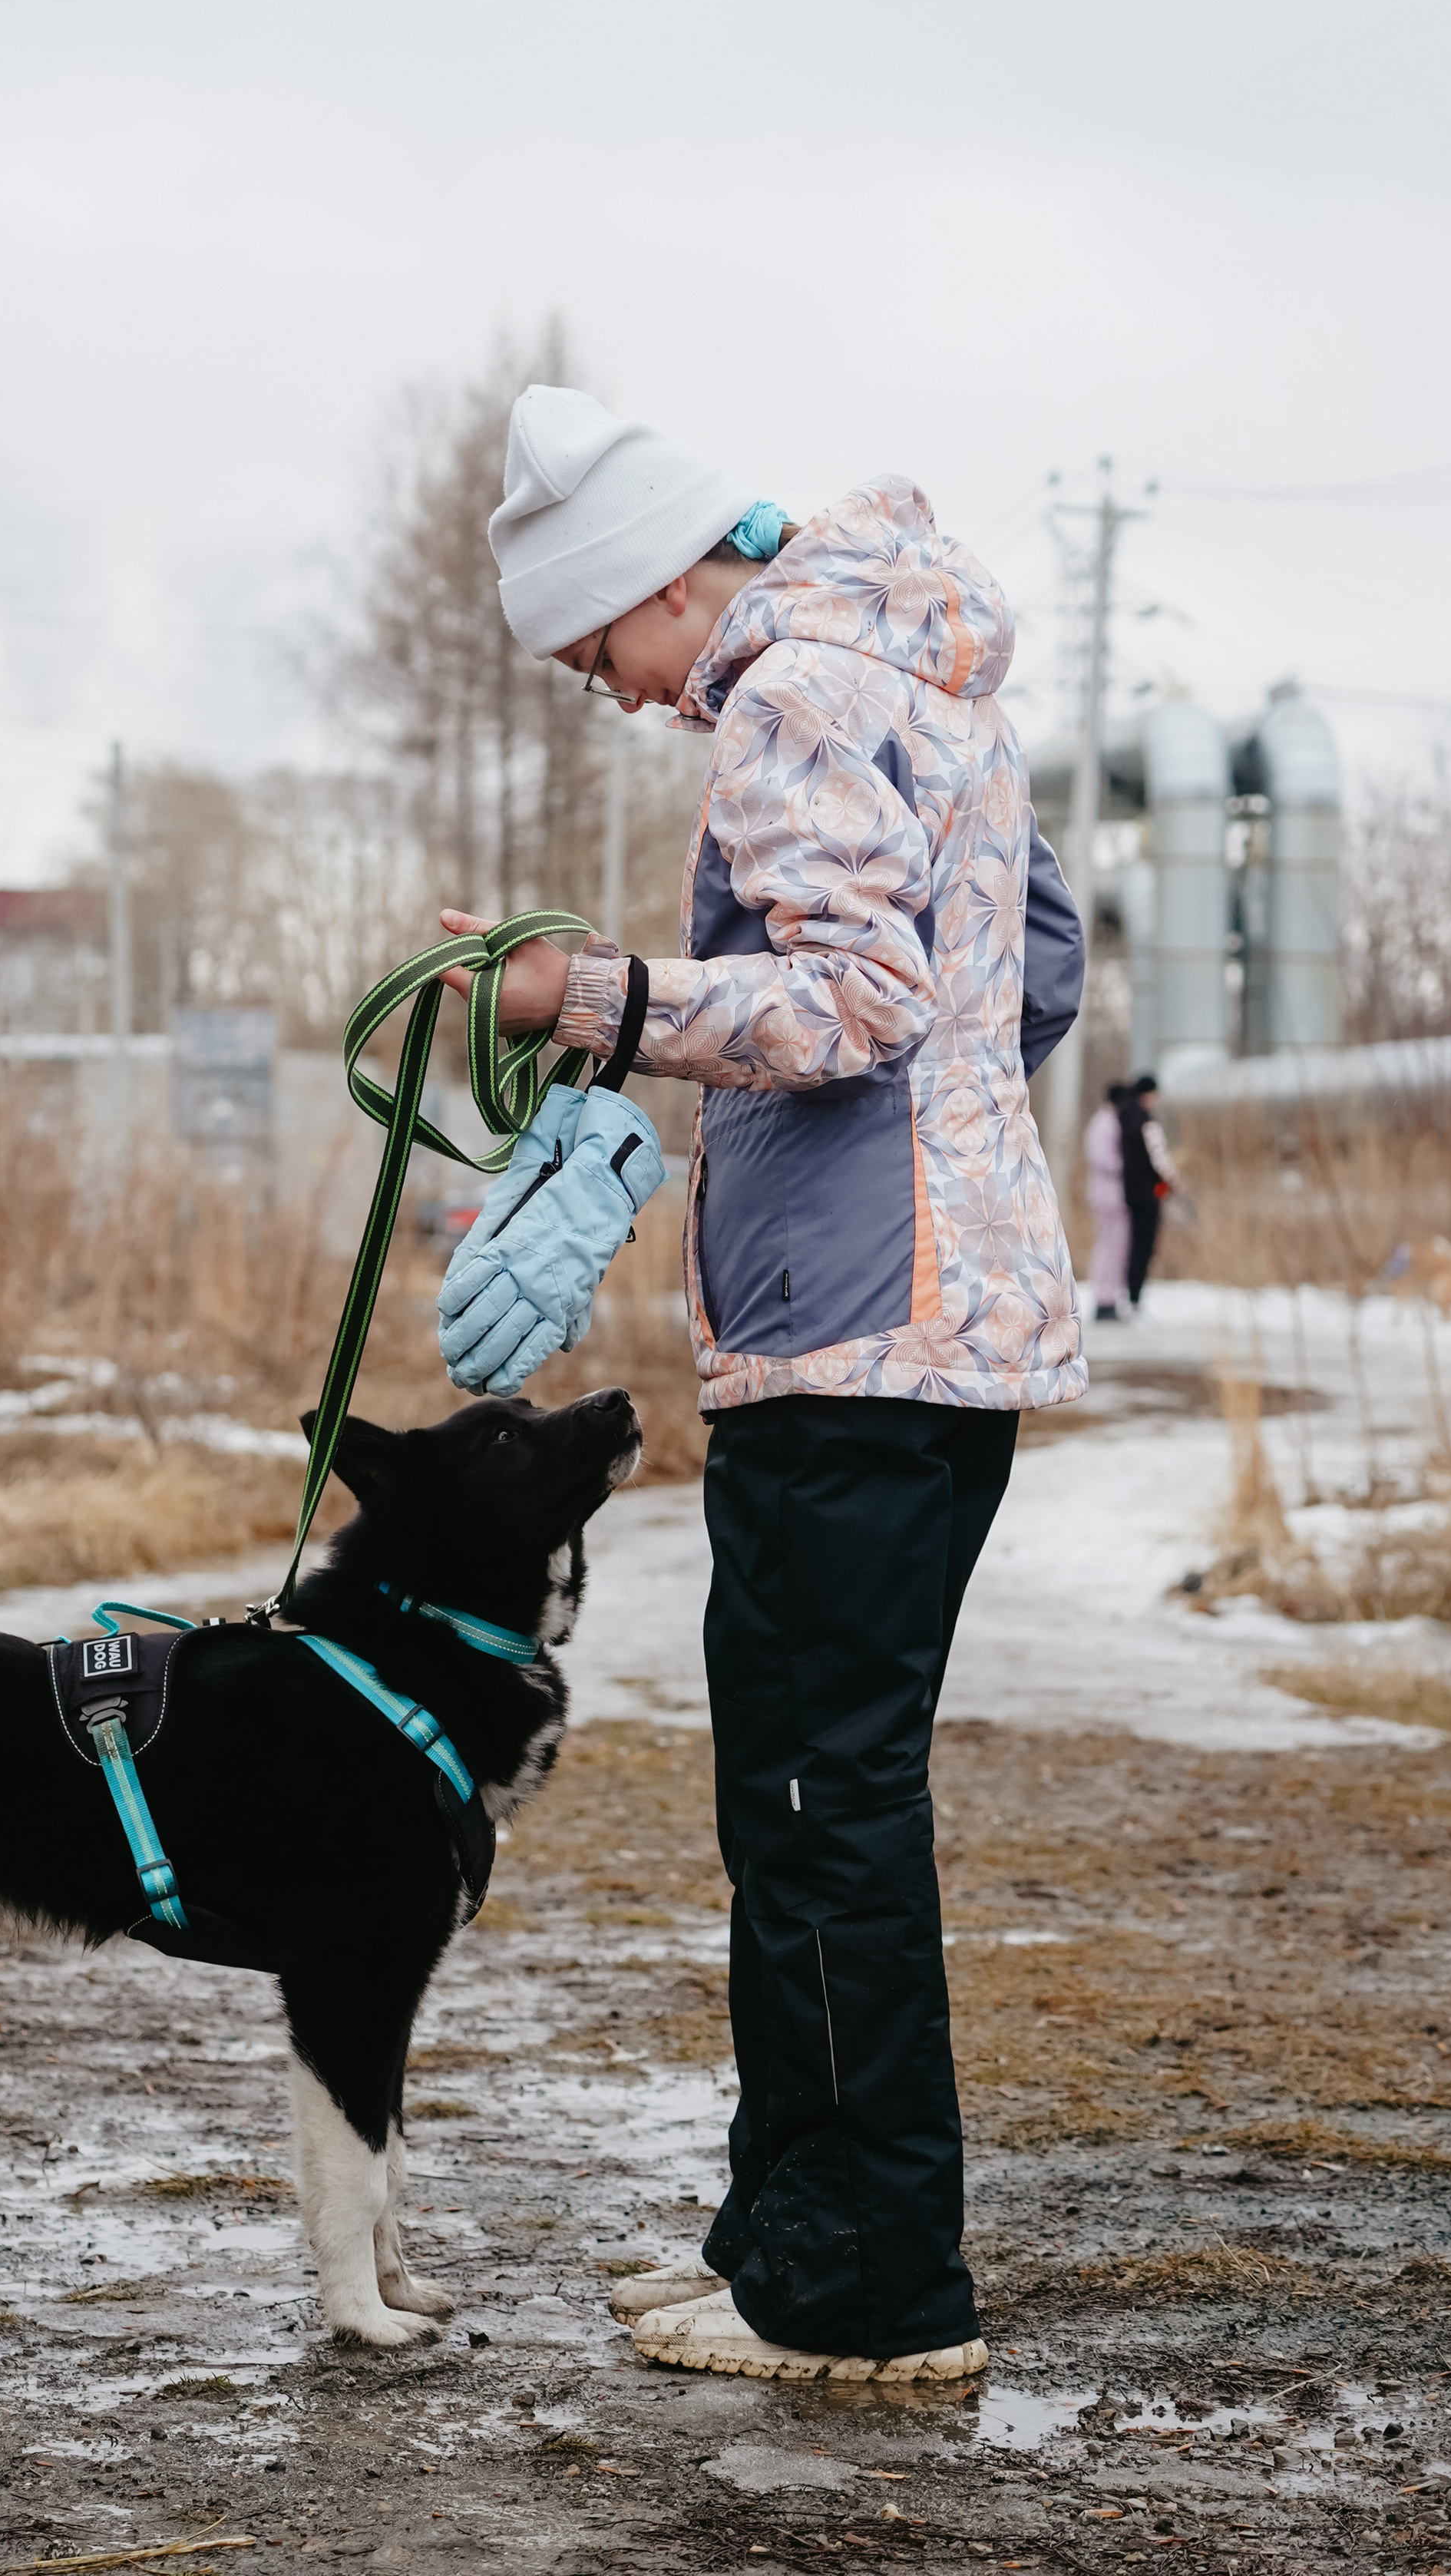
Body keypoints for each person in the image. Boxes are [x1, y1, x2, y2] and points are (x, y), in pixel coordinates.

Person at [441, 386, 1086, 2385]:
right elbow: (1034, 965)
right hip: (941, 1324)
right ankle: (787, 2243)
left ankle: (865, 2300)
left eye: (598, 656)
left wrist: (588, 1001)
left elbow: (856, 999)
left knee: (815, 1813)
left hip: (849, 1332)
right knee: (816, 1799)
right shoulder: (930, 682)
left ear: (658, 581)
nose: (626, 699)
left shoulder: (788, 692)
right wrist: (934, 1134)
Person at [1117, 1071, 1180, 1307]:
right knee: (1145, 1246)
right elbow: (1159, 1158)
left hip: (1131, 1191)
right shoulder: (1147, 1122)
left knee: (1134, 1245)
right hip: (1150, 1193)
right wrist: (1173, 1181)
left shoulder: (1125, 1117)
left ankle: (1130, 1295)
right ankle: (1135, 1298)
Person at [1086, 1082, 1132, 1321]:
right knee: (1109, 1249)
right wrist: (1129, 1165)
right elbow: (1102, 1158)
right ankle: (1104, 1299)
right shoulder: (1105, 1123)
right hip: (1108, 1195)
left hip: (1110, 1195)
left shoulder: (1105, 1121)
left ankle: (1110, 1298)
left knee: (1113, 1249)